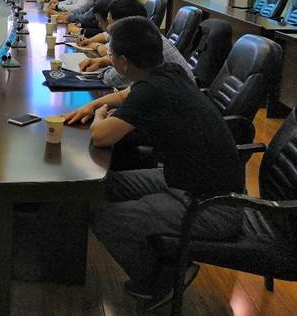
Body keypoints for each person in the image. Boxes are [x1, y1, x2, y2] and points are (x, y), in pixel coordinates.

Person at [64, 16, 244, 310]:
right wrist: (97, 103)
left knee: (105, 218)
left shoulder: (152, 90)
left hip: (211, 205)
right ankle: (164, 261)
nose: (109, 58)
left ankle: (160, 281)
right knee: (104, 185)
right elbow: (128, 93)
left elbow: (101, 136)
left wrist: (98, 116)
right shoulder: (169, 72)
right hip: (188, 180)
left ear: (123, 62)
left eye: (111, 54)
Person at [78, 0, 194, 88]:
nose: (108, 28)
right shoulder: (145, 33)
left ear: (125, 23)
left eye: (110, 23)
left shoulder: (139, 42)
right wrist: (104, 61)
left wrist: (102, 71)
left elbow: (113, 79)